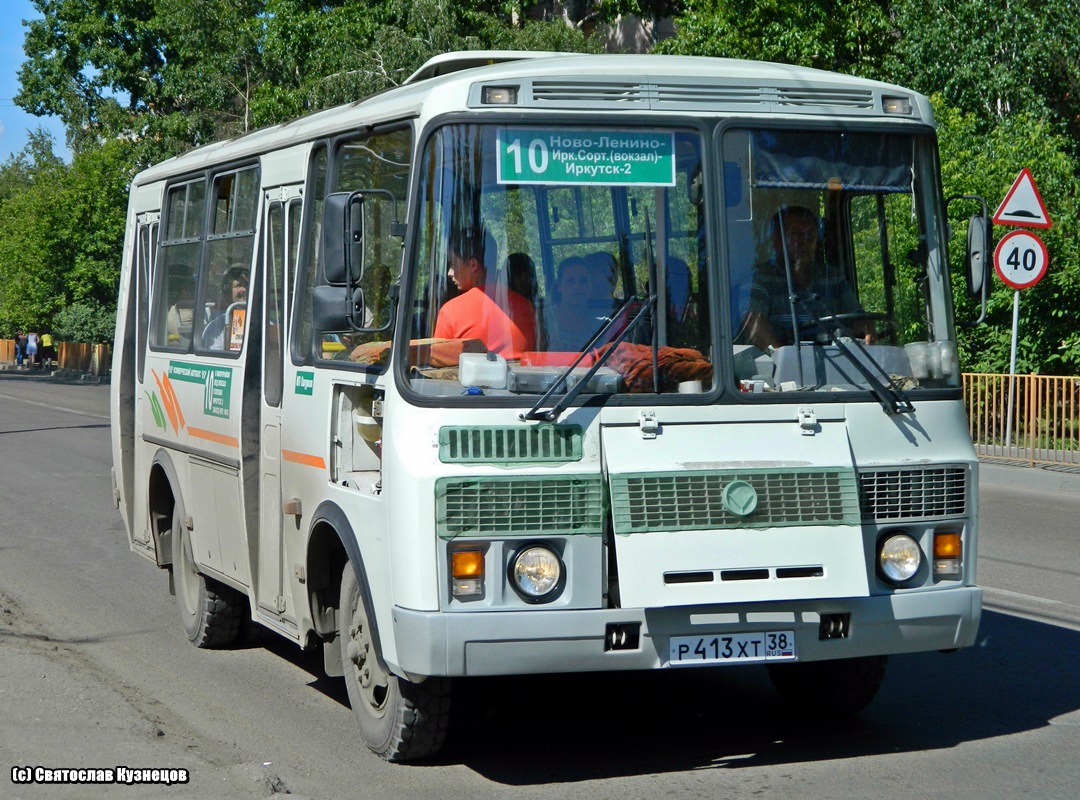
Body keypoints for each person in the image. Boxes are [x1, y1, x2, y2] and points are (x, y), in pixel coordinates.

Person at [741, 205, 866, 350]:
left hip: (835, 366)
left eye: (810, 235)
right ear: (775, 240)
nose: (803, 241)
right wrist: (785, 359)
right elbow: (755, 327)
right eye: (795, 234)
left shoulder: (833, 278)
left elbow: (856, 316)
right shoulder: (759, 279)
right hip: (781, 370)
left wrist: (865, 326)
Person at [433, 227, 536, 360]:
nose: (450, 273)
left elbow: (437, 364)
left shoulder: (450, 312)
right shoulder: (528, 307)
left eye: (453, 264)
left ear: (473, 265)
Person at [546, 255, 609, 352]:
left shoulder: (602, 321)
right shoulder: (543, 319)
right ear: (559, 286)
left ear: (590, 284)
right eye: (570, 281)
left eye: (584, 281)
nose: (578, 287)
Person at [201, 265, 249, 349]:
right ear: (227, 291)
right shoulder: (216, 327)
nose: (244, 289)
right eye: (238, 286)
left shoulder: (264, 322)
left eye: (246, 285)